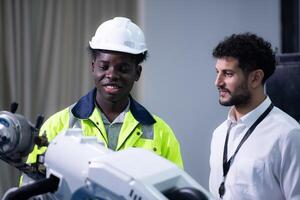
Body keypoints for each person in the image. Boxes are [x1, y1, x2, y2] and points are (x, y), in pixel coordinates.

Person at [25, 17, 183, 168]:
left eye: (123, 68)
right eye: (104, 66)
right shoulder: (56, 126)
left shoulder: (162, 134)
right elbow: (31, 187)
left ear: (137, 72)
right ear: (93, 66)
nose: (112, 75)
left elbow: (174, 191)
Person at [209, 33, 300, 199]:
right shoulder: (219, 134)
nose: (218, 82)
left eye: (228, 74)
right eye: (217, 72)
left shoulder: (288, 135)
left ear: (256, 78)